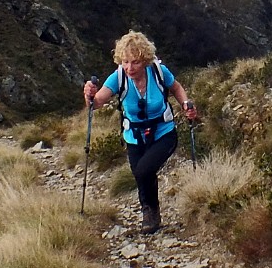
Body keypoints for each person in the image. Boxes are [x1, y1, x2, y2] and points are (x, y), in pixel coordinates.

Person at [83, 31, 198, 234]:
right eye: (125, 61)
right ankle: (150, 212)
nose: (129, 67)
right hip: (134, 137)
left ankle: (150, 213)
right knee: (141, 175)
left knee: (144, 171)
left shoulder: (159, 72)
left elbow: (177, 88)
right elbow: (97, 103)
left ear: (144, 60)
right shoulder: (118, 77)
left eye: (135, 62)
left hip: (164, 132)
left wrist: (186, 105)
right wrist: (89, 95)